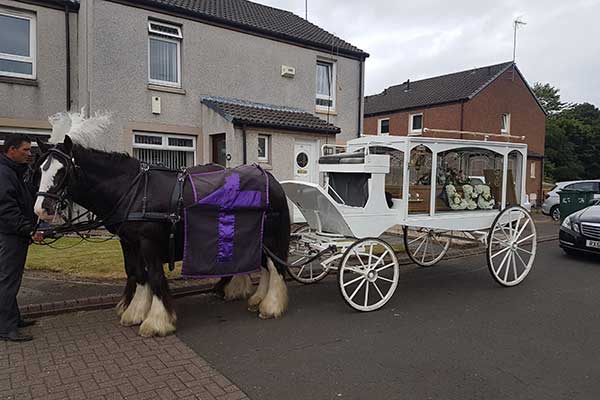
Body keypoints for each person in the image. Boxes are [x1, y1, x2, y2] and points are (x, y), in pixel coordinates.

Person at [0, 134, 43, 342]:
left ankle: (14, 319)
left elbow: (25, 197)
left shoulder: (14, 172)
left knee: (10, 279)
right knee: (8, 281)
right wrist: (28, 230)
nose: (29, 154)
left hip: (14, 234)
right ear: (11, 150)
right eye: (25, 150)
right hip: (9, 236)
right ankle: (6, 328)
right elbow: (6, 209)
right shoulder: (4, 174)